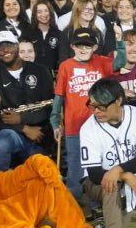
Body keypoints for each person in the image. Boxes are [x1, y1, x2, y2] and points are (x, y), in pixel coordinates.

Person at [77, 79, 136, 228]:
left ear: (118, 101)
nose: (96, 111)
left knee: (117, 225)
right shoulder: (88, 129)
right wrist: (125, 174)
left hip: (125, 182)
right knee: (110, 184)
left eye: (101, 106)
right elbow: (95, 173)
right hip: (94, 183)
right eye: (92, 106)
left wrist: (118, 170)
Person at [50, 28, 118, 196]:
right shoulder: (65, 66)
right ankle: (73, 203)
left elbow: (120, 62)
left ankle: (97, 201)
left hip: (99, 125)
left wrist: (119, 39)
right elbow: (59, 96)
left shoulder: (101, 62)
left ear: (94, 47)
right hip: (74, 127)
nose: (83, 49)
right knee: (75, 167)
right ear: (72, 46)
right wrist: (55, 122)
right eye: (79, 45)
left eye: (88, 46)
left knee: (98, 165)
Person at [0, 32, 54, 172]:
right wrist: (24, 128)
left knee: (41, 175)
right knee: (3, 141)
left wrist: (22, 118)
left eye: (8, 45)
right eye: (0, 47)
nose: (4, 50)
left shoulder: (40, 71)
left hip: (41, 136)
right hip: (13, 135)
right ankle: (0, 184)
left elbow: (50, 107)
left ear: (17, 46)